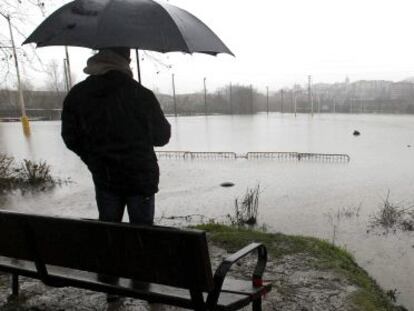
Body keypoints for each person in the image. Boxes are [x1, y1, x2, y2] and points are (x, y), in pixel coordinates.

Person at [61, 47, 171, 226]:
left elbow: (70, 137)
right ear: (125, 61)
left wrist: (94, 159)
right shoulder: (141, 95)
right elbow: (162, 137)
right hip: (140, 178)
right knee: (143, 238)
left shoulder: (78, 94)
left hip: (105, 178)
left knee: (108, 237)